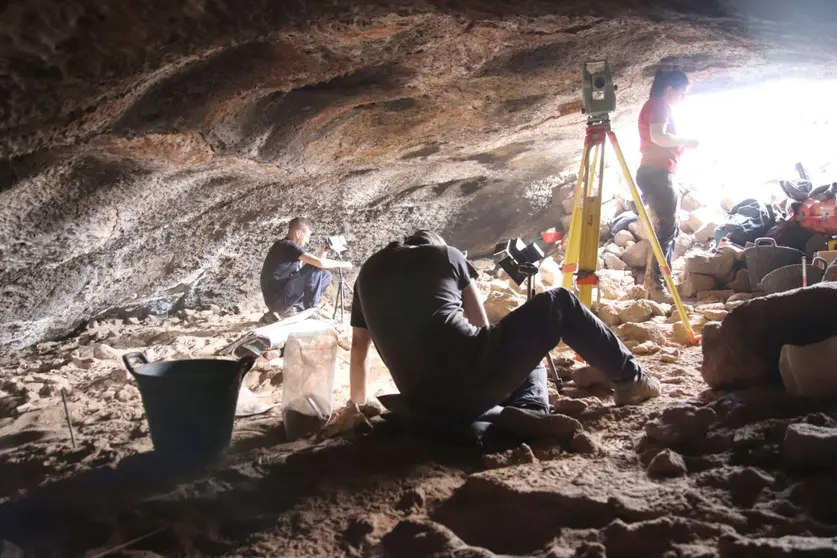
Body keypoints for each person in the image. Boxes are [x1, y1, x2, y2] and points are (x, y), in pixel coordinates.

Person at [348, 230, 661, 442]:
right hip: (469, 386)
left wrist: (358, 408)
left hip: (419, 400)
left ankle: (494, 416)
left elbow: (359, 348)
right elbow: (482, 326)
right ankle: (629, 380)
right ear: (434, 243)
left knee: (491, 358)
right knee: (559, 305)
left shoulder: (366, 274)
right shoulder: (446, 254)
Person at [636, 70, 700, 301]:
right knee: (666, 230)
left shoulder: (658, 107)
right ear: (670, 88)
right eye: (681, 93)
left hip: (657, 172)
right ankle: (657, 284)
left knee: (665, 229)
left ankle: (655, 281)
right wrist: (685, 139)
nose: (682, 98)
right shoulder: (658, 105)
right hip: (658, 173)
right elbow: (659, 137)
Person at [260, 217, 352, 320]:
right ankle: (310, 310)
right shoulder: (287, 245)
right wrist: (344, 264)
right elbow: (318, 263)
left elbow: (313, 274)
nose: (308, 241)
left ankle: (298, 308)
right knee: (314, 266)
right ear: (298, 233)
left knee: (325, 275)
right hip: (278, 301)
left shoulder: (286, 248)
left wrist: (323, 252)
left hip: (284, 298)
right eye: (307, 236)